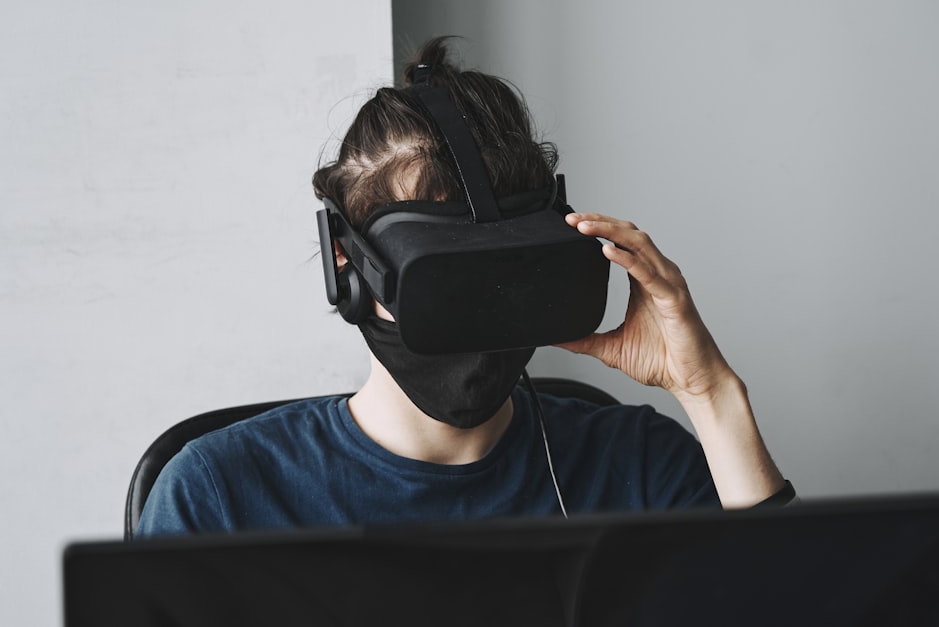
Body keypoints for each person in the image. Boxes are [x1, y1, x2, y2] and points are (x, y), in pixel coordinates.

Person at [136, 37, 790, 537]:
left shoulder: (641, 467)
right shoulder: (219, 495)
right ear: (347, 263)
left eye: (505, 273)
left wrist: (711, 394)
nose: (479, 318)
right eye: (444, 278)